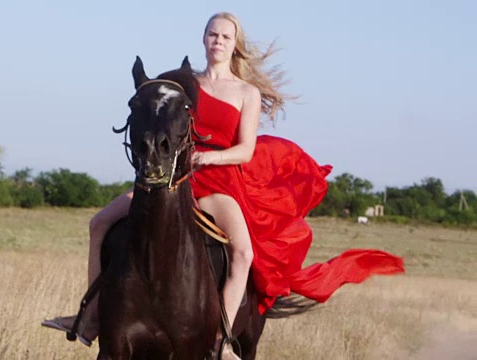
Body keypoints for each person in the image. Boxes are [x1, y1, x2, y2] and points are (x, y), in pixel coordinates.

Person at [44, 12, 405, 359]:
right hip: (174, 177)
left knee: (243, 253)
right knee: (99, 223)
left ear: (235, 44)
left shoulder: (246, 93)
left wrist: (209, 158)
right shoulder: (184, 84)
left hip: (219, 183)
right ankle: (90, 316)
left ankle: (223, 339)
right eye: (213, 34)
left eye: (225, 36)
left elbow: (246, 150)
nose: (218, 41)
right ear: (204, 39)